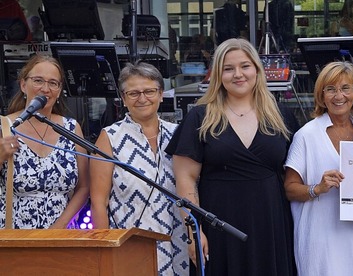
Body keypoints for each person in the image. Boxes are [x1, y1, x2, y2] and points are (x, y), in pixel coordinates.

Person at [166, 38, 296, 276]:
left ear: (257, 70)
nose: (238, 74)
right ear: (218, 75)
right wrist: (194, 232)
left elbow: (294, 176)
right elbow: (185, 180)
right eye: (228, 68)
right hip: (220, 224)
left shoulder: (280, 115)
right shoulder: (200, 117)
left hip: (271, 223)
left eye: (245, 66)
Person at [89, 62, 188, 275]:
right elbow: (99, 201)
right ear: (123, 99)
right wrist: (105, 248)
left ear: (161, 94)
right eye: (133, 93)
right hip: (130, 244)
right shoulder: (110, 137)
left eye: (149, 91)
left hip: (177, 243)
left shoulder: (178, 134)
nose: (142, 98)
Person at [284, 61, 353, 275]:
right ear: (322, 96)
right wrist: (318, 188)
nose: (338, 96)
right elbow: (289, 189)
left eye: (345, 88)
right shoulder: (307, 135)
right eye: (331, 89)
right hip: (318, 240)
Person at [0, 54, 89, 229]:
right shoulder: (3, 126)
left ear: (59, 90)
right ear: (23, 85)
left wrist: (59, 227)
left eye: (53, 83)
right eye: (38, 80)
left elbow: (84, 187)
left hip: (62, 236)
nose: (45, 89)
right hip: (14, 237)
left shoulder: (71, 128)